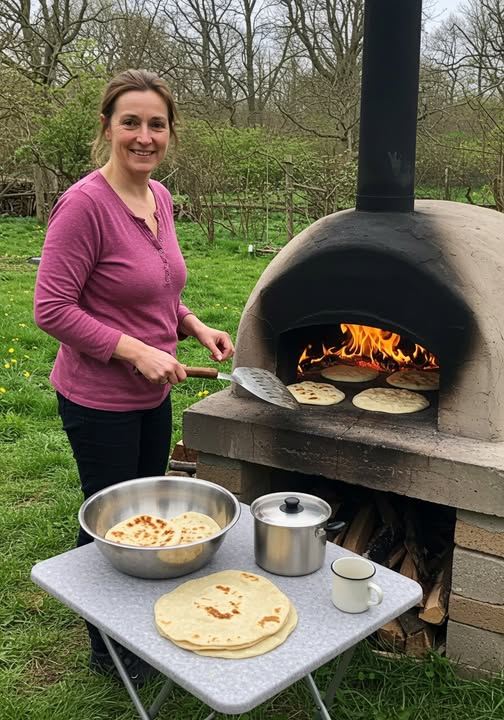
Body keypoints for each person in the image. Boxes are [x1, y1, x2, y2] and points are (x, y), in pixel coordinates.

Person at [33, 69, 234, 685]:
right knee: (112, 525)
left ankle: (130, 615)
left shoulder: (161, 199)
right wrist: (132, 351)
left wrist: (192, 324)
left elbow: (158, 291)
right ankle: (110, 649)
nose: (144, 136)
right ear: (107, 128)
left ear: (169, 133)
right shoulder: (84, 206)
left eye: (156, 124)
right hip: (98, 400)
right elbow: (51, 308)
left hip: (153, 394)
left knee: (141, 514)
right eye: (131, 122)